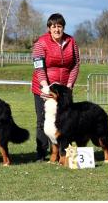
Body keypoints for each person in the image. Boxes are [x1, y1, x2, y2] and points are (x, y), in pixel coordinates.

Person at [31, 13, 80, 161]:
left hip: (64, 91)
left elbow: (76, 64)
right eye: (54, 26)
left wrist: (70, 85)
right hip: (44, 87)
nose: (57, 29)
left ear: (63, 27)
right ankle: (41, 152)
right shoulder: (41, 42)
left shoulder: (71, 41)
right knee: (42, 121)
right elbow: (39, 66)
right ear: (49, 28)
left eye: (59, 26)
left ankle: (64, 153)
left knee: (66, 121)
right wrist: (45, 87)